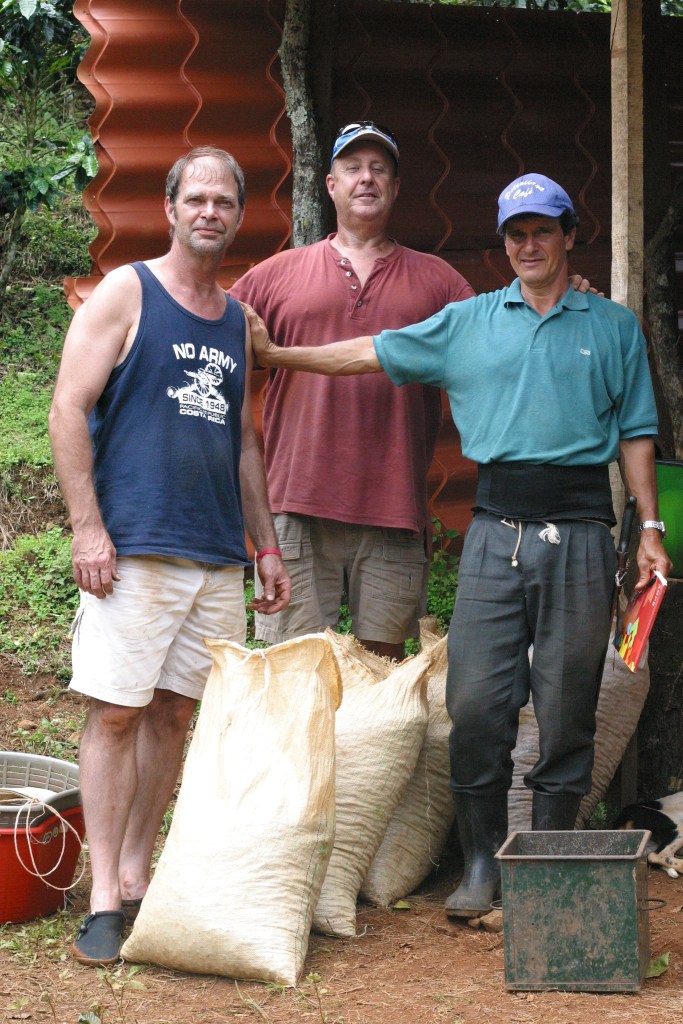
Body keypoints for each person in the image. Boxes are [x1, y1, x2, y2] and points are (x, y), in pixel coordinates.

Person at [245, 172, 672, 919]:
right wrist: (280, 358)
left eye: (541, 230)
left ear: (570, 236)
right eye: (514, 234)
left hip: (578, 532)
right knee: (476, 706)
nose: (527, 245)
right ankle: (480, 865)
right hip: (492, 534)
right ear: (502, 244)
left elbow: (636, 432)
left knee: (569, 707)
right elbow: (369, 352)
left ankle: (544, 864)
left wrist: (647, 528)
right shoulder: (469, 320)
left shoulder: (611, 328)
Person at [48, 146, 290, 965]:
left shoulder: (235, 322)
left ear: (237, 214)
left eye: (224, 200)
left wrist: (264, 545)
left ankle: (138, 875)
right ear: (171, 205)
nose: (210, 211)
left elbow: (246, 445)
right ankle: (102, 898)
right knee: (117, 711)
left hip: (216, 553)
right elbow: (67, 407)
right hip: (136, 546)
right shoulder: (128, 292)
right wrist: (88, 526)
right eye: (197, 197)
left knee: (173, 714)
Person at [230, 122, 475, 660]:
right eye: (353, 168)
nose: (366, 178)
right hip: (295, 504)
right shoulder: (275, 275)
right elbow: (206, 333)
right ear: (331, 185)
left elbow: (498, 338)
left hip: (393, 506)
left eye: (379, 169)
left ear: (395, 186)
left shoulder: (440, 283)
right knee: (291, 673)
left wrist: (562, 288)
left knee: (380, 675)